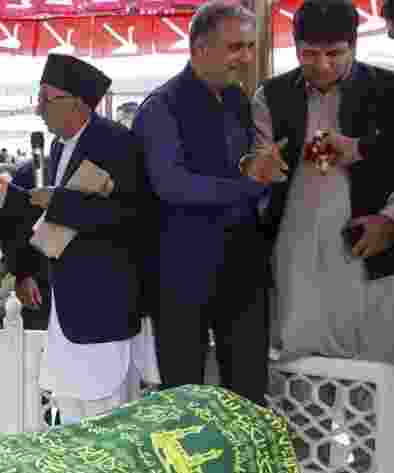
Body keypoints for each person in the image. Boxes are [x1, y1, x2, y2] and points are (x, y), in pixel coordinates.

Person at [0, 54, 151, 422]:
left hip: (104, 302)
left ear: (76, 102)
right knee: (71, 409)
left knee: (106, 416)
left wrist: (59, 201)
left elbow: (131, 215)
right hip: (65, 302)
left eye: (47, 99)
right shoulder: (59, 148)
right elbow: (52, 215)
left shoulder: (115, 142)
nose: (38, 109)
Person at [133, 1, 280, 406]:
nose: (246, 58)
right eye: (235, 47)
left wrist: (266, 172)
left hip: (242, 270)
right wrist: (250, 185)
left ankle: (248, 469)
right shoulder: (161, 107)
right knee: (184, 395)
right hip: (182, 274)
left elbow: (247, 169)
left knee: (248, 391)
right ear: (198, 48)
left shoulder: (238, 101)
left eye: (250, 47)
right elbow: (173, 185)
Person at [255, 0, 394, 363]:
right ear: (295, 47)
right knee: (298, 363)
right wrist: (258, 168)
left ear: (354, 45)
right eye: (310, 54)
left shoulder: (388, 91)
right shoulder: (271, 95)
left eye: (335, 53)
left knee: (371, 368)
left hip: (367, 251)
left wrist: (391, 219)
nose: (322, 65)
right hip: (294, 252)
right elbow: (252, 168)